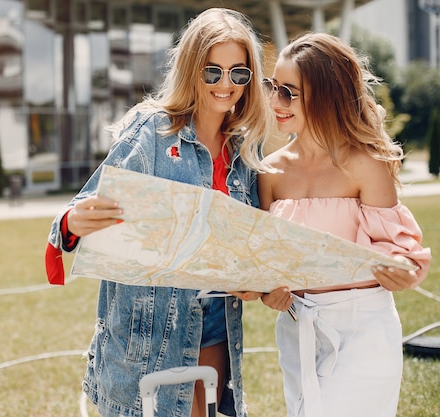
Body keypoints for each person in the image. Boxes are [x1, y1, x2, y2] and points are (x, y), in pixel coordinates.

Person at [45, 8, 273, 417]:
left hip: (214, 329)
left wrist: (254, 281)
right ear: (191, 70)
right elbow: (79, 211)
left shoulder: (243, 153)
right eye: (212, 72)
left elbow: (248, 250)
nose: (226, 85)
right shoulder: (151, 132)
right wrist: (72, 223)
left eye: (239, 74)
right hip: (146, 337)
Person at [255, 33, 432, 417]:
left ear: (326, 95)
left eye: (289, 93)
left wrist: (401, 272)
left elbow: (399, 252)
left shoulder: (366, 164)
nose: (275, 102)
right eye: (273, 88)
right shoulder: (268, 171)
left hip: (364, 331)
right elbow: (265, 262)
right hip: (297, 330)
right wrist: (269, 292)